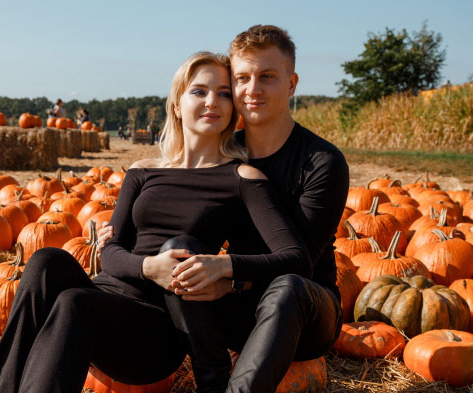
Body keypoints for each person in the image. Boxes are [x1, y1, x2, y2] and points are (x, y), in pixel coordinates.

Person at [0, 51, 309, 393]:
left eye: (224, 93)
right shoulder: (142, 170)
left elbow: (295, 256)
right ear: (178, 105)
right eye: (199, 91)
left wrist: (223, 266)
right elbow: (110, 253)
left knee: (75, 302)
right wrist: (150, 267)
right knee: (47, 260)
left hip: (157, 330)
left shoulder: (241, 177)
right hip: (105, 295)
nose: (212, 101)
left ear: (233, 108)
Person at [99, 25, 348, 392]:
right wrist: (120, 237)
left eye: (267, 77)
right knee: (181, 253)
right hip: (232, 303)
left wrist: (231, 279)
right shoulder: (223, 152)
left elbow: (302, 261)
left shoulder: (322, 162)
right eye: (242, 79)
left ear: (292, 84)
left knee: (287, 288)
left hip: (304, 309)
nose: (253, 89)